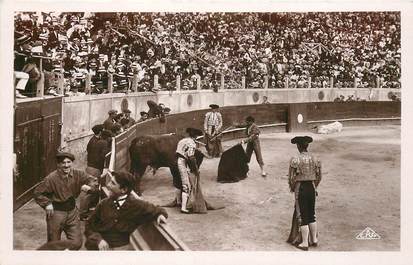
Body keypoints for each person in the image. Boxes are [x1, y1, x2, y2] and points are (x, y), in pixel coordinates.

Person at [84, 171, 168, 250]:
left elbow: (157, 210)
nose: (108, 185)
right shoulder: (103, 204)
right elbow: (89, 224)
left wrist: (160, 214)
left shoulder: (136, 205)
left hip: (121, 247)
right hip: (99, 246)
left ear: (123, 190)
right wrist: (98, 240)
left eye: (113, 183)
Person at [33, 152, 98, 250]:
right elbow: (37, 193)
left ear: (72, 163)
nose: (66, 165)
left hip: (72, 212)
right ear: (58, 164)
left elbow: (92, 180)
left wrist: (90, 187)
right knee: (53, 245)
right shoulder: (51, 178)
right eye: (63, 163)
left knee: (77, 242)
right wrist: (47, 204)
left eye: (69, 162)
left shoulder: (78, 174)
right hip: (56, 213)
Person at [287, 136, 322, 251]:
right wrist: (314, 186)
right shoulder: (315, 158)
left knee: (302, 215)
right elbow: (319, 176)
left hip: (300, 188)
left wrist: (293, 187)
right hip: (311, 187)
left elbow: (291, 178)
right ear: (307, 146)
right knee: (312, 213)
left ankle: (304, 243)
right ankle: (314, 240)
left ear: (298, 146)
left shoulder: (295, 159)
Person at [80, 124, 110, 220]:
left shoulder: (92, 140)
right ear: (100, 132)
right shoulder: (102, 142)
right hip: (95, 169)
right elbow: (103, 156)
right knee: (89, 192)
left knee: (91, 191)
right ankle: (82, 214)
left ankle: (87, 210)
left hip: (90, 167)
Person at [175, 127, 204, 213]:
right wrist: (195, 169)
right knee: (186, 185)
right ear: (195, 136)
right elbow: (191, 157)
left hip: (177, 161)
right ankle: (183, 208)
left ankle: (178, 201)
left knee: (178, 182)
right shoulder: (192, 143)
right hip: (183, 163)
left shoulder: (182, 140)